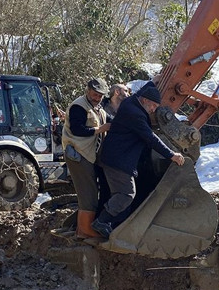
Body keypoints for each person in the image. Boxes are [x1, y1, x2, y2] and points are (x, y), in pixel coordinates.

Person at [92, 83, 185, 238]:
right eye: (153, 105)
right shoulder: (135, 114)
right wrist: (171, 155)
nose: (154, 110)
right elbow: (151, 138)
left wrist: (156, 81)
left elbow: (143, 90)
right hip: (118, 160)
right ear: (145, 100)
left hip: (114, 157)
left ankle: (115, 229)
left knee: (118, 195)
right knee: (127, 194)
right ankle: (102, 222)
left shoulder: (131, 101)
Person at [62, 78, 111, 238]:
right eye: (95, 94)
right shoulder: (79, 106)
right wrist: (100, 129)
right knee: (88, 193)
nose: (97, 98)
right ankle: (84, 230)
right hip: (78, 154)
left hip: (87, 155)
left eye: (100, 96)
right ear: (88, 91)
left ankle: (82, 227)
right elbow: (77, 129)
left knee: (90, 191)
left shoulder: (97, 107)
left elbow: (109, 119)